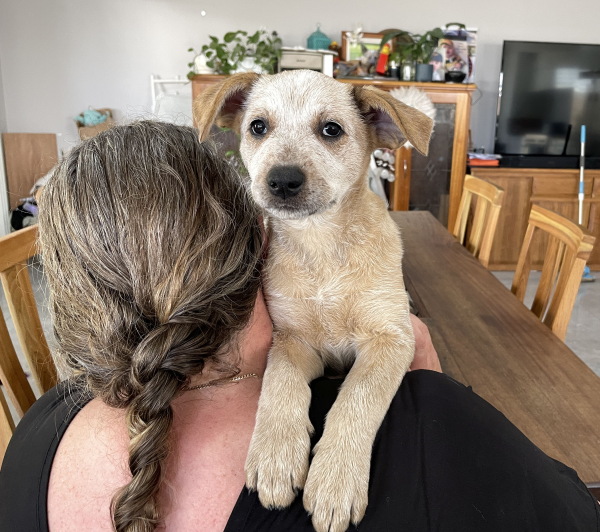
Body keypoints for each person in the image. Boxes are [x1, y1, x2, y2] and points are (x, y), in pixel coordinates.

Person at [0, 121, 597, 532]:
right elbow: (574, 509)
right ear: (264, 238)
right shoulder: (424, 428)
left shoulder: (32, 438)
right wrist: (428, 408)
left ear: (71, 294)